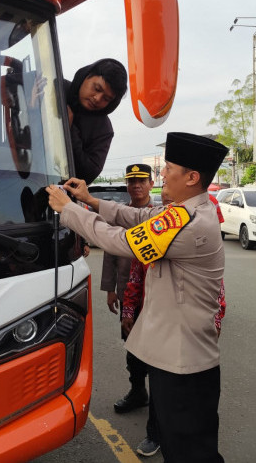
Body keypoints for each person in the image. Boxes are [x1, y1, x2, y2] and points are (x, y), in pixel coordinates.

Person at [46, 132, 229, 462]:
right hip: (173, 357)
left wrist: (69, 210)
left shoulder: (192, 223)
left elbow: (122, 241)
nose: (162, 175)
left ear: (192, 177)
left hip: (184, 364)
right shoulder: (182, 211)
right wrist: (93, 200)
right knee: (180, 446)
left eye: (168, 167)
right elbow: (140, 217)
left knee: (191, 452)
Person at [121, 188, 227, 457]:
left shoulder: (194, 228)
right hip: (151, 321)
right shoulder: (159, 224)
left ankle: (157, 436)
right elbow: (135, 274)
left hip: (182, 335)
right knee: (158, 390)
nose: (166, 204)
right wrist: (129, 311)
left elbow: (217, 291)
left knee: (181, 411)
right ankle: (155, 433)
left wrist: (215, 323)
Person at [101, 164, 155, 414]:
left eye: (141, 181)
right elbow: (110, 252)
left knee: (155, 348)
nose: (136, 186)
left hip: (156, 294)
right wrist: (110, 289)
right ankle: (137, 391)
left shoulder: (161, 213)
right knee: (131, 341)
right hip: (127, 292)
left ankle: (159, 399)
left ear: (151, 184)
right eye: (132, 182)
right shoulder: (120, 214)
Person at [64, 59, 128, 184]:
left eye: (106, 98)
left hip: (60, 192)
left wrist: (69, 129)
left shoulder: (104, 129)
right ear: (86, 76)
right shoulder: (57, 89)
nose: (97, 99)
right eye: (97, 89)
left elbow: (88, 174)